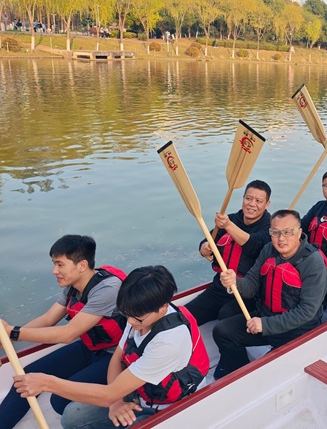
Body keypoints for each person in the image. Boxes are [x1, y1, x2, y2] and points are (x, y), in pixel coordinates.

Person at [13, 266, 209, 429]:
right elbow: (117, 358)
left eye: (137, 318)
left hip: (173, 407)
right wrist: (116, 402)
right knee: (72, 416)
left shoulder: (169, 343)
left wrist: (46, 383)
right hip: (139, 395)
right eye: (127, 314)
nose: (130, 322)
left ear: (163, 307)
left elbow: (109, 393)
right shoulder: (138, 314)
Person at [0, 235, 126, 428]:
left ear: (82, 265)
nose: (54, 271)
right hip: (90, 348)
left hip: (117, 356)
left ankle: (121, 405)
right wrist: (8, 337)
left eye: (60, 265)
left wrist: (14, 332)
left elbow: (68, 334)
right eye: (54, 264)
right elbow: (47, 319)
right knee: (26, 377)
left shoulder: (107, 289)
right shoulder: (73, 287)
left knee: (60, 401)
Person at [212, 210, 327, 378]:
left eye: (287, 232)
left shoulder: (313, 262)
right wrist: (234, 282)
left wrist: (265, 325)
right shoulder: (268, 249)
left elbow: (307, 312)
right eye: (275, 232)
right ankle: (238, 373)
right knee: (222, 331)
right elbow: (251, 285)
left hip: (297, 330)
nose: (281, 239)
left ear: (299, 233)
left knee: (266, 373)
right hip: (266, 316)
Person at [186, 180, 272, 324]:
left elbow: (254, 245)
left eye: (258, 201)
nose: (252, 204)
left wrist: (228, 225)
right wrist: (204, 248)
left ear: (267, 204)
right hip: (220, 287)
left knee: (225, 316)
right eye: (248, 198)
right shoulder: (232, 219)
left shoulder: (270, 228)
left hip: (249, 294)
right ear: (243, 198)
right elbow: (209, 239)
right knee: (184, 317)